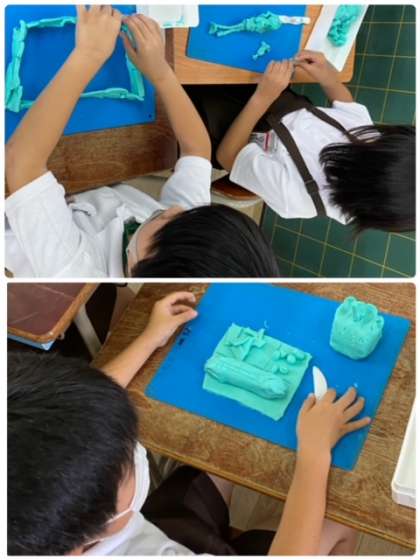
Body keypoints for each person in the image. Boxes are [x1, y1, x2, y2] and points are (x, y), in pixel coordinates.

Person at [8, 290, 370, 555]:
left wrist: (150, 338)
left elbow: (79, 412)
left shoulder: (29, 521)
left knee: (223, 451)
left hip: (158, 528)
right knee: (340, 520)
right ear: (95, 521)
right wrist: (314, 453)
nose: (133, 449)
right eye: (127, 462)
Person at [5, 7, 278, 278]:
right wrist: (160, 72)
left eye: (164, 223)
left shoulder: (77, 271)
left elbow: (22, 163)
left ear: (141, 270)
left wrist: (88, 55)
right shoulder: (186, 224)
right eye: (187, 214)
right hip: (77, 188)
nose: (174, 210)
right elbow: (197, 150)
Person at [191, 51, 414, 234]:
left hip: (214, 122)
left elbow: (228, 155)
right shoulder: (370, 143)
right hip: (261, 88)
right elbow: (347, 105)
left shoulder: (296, 198)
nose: (371, 138)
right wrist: (327, 76)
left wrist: (263, 97)